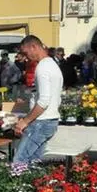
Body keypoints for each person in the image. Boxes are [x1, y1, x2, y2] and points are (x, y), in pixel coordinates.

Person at [14, 35, 64, 163]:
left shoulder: (42, 67)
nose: (25, 57)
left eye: (26, 53)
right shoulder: (52, 64)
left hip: (41, 121)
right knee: (34, 162)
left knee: (19, 161)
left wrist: (25, 121)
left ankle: (18, 181)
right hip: (50, 119)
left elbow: (43, 101)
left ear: (34, 47)